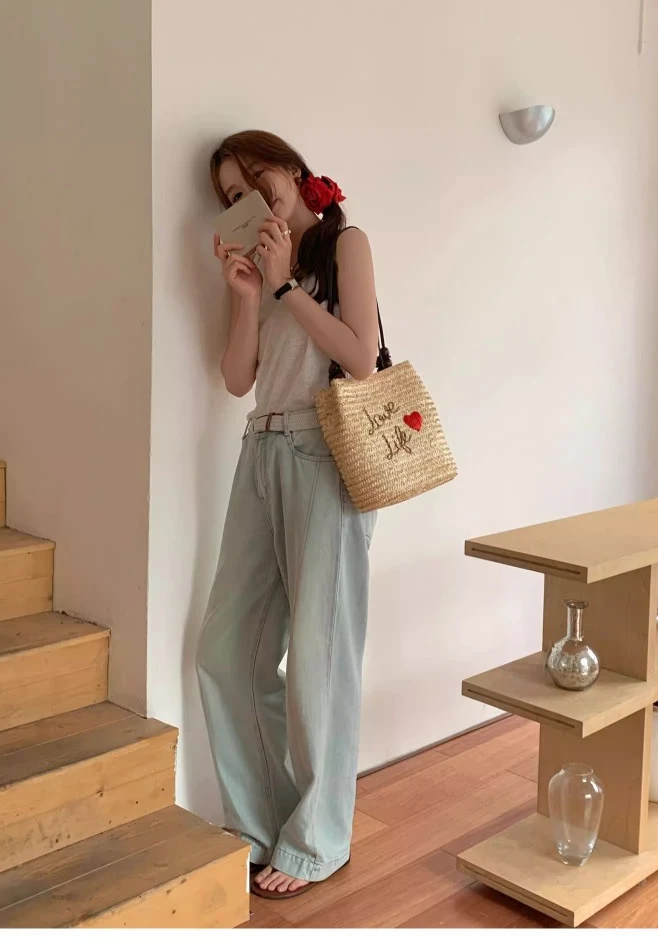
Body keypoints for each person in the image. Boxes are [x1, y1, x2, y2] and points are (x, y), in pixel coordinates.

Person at [196, 130, 379, 899]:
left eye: (255, 177)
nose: (249, 198)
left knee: (317, 661)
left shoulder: (344, 244)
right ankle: (259, 822)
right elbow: (238, 378)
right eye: (231, 194)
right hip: (260, 452)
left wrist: (282, 288)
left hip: (322, 455)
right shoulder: (259, 267)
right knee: (226, 648)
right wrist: (246, 295)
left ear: (294, 171)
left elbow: (361, 356)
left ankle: (320, 838)